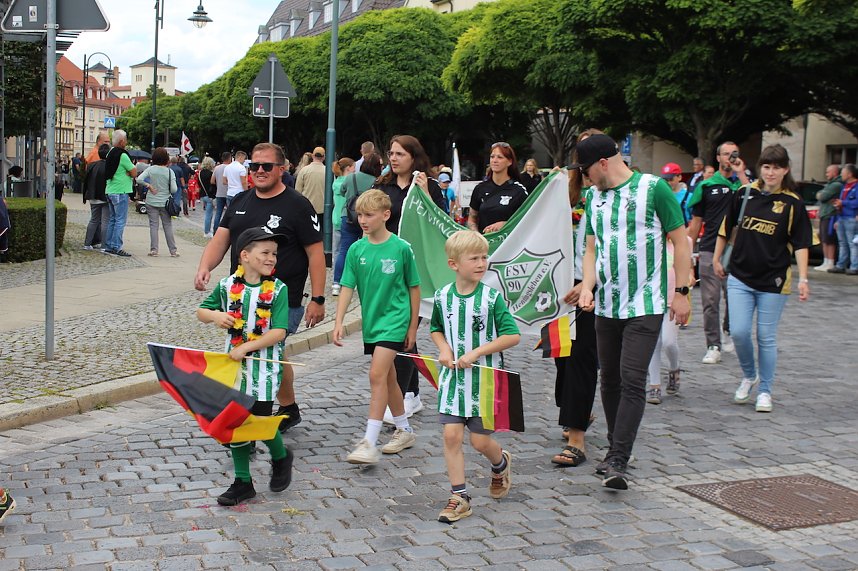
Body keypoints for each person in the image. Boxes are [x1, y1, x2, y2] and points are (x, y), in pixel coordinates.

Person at [575, 134, 691, 489]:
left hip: (647, 302)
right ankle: (615, 447)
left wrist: (683, 291)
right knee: (608, 378)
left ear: (603, 163)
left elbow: (680, 240)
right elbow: (591, 249)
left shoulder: (654, 188)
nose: (585, 177)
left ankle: (619, 459)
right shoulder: (593, 197)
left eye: (586, 170)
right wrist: (587, 285)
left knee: (631, 377)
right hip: (608, 302)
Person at [195, 142, 326, 433]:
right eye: (255, 166)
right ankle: (287, 408)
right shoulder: (240, 201)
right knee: (270, 354)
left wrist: (318, 298)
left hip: (282, 297)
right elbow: (220, 240)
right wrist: (205, 267)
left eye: (267, 166)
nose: (260, 171)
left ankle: (253, 418)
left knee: (263, 351)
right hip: (241, 297)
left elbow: (315, 254)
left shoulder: (297, 205)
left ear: (282, 169)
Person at [197, 226, 295, 505]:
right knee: (235, 422)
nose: (272, 258)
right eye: (265, 252)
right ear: (245, 255)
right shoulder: (228, 286)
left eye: (274, 254)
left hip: (263, 368)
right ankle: (243, 482)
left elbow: (279, 331)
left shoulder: (278, 290)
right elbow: (201, 311)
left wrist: (247, 347)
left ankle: (280, 456)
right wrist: (216, 316)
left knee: (261, 422)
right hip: (235, 370)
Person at [713, 144, 812, 412]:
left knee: (766, 336)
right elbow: (726, 227)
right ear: (760, 168)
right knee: (739, 331)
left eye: (776, 167)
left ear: (785, 170)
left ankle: (765, 390)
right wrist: (716, 257)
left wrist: (803, 278)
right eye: (766, 166)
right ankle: (749, 375)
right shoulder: (745, 193)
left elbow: (802, 244)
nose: (771, 172)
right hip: (740, 276)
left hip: (774, 280)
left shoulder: (793, 203)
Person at [430, 230, 519, 523]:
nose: (482, 263)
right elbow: (436, 328)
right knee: (451, 436)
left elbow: (512, 335)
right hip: (452, 381)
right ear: (454, 264)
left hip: (484, 382)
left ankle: (500, 462)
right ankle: (460, 496)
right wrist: (443, 348)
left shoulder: (492, 299)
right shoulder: (443, 296)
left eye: (484, 257)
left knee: (480, 442)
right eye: (474, 258)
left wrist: (477, 352)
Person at [333, 189, 420, 464]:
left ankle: (369, 441)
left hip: (395, 321)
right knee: (389, 378)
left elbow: (414, 288)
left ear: (385, 215)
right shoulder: (356, 249)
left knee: (376, 374)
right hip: (372, 322)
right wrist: (338, 322)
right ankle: (404, 429)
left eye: (368, 215)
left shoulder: (401, 248)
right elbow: (347, 286)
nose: (362, 220)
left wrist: (412, 328)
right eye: (359, 214)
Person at [375, 135, 447, 418]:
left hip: (414, 271)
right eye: (391, 154)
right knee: (402, 334)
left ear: (414, 157)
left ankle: (402, 397)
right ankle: (413, 393)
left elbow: (440, 222)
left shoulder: (426, 185)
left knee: (402, 331)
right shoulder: (383, 185)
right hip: (384, 269)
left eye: (399, 154)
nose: (393, 158)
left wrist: (427, 195)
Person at [552, 128, 601, 468]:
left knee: (582, 358)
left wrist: (588, 283)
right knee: (561, 358)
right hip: (559, 285)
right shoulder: (563, 191)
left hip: (593, 286)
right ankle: (574, 410)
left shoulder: (607, 196)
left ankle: (576, 436)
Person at [686, 142, 749, 364]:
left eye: (734, 153)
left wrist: (741, 175)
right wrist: (687, 254)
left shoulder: (744, 184)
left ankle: (728, 329)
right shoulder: (707, 186)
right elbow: (695, 224)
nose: (730, 157)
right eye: (726, 154)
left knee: (735, 297)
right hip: (710, 247)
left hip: (738, 251)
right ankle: (713, 344)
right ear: (718, 158)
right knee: (710, 300)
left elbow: (756, 200)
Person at [646, 235, 693, 404]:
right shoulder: (650, 238)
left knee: (669, 342)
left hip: (674, 300)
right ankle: (654, 385)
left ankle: (674, 369)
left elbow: (688, 268)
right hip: (652, 299)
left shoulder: (684, 240)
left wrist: (688, 280)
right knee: (653, 343)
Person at [333, 152, 384, 297]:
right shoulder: (376, 181)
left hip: (347, 216)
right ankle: (359, 282)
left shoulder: (351, 177)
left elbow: (342, 192)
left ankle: (337, 283)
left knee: (344, 250)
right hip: (368, 218)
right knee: (365, 250)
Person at [468, 143, 529, 234]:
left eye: (500, 157)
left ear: (509, 162)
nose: (494, 160)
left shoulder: (519, 191)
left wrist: (505, 224)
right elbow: (472, 218)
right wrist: (476, 234)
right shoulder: (480, 188)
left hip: (509, 244)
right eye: (492, 157)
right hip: (484, 244)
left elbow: (527, 221)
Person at [137, 147, 179, 257]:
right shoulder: (170, 172)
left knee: (153, 226)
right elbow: (174, 189)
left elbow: (139, 179)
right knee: (167, 226)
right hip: (165, 203)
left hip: (151, 201)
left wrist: (149, 185)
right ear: (166, 158)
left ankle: (154, 250)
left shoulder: (150, 169)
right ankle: (173, 251)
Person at [103, 130, 137, 257]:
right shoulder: (123, 155)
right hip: (121, 191)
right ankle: (117, 246)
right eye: (126, 140)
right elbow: (134, 173)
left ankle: (109, 245)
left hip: (110, 190)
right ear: (122, 141)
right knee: (120, 220)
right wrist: (129, 172)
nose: (126, 142)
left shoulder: (110, 153)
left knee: (112, 219)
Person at [331, 157, 355, 295]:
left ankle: (336, 281)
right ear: (348, 168)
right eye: (353, 167)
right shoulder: (349, 183)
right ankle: (344, 279)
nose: (355, 169)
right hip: (347, 219)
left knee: (338, 251)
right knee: (346, 251)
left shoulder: (336, 182)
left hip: (336, 219)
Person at [829, 164, 858, 275]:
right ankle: (841, 265)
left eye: (843, 172)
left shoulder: (856, 186)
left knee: (852, 243)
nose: (841, 175)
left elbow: (856, 202)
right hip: (842, 217)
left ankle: (854, 266)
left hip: (851, 217)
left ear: (850, 174)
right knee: (842, 243)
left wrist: (843, 203)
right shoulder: (844, 186)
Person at [814, 164, 842, 272]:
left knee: (829, 239)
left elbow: (823, 196)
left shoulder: (836, 185)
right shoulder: (829, 184)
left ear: (834, 172)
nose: (826, 174)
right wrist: (821, 195)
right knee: (824, 239)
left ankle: (830, 261)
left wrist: (822, 195)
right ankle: (825, 261)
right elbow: (819, 195)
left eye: (828, 172)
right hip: (824, 214)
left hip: (830, 215)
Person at [82, 143, 110, 251]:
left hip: (93, 196)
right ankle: (104, 246)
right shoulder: (109, 166)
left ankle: (87, 243)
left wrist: (85, 196)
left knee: (93, 220)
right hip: (105, 196)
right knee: (105, 221)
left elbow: (86, 181)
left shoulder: (91, 165)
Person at [295, 146, 326, 216]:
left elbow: (297, 191)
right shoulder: (329, 172)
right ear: (324, 157)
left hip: (306, 208)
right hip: (323, 209)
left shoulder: (304, 170)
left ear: (312, 156)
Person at [198, 156, 217, 238]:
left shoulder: (200, 173)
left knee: (207, 214)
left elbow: (199, 184)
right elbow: (213, 185)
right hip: (210, 195)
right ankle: (207, 231)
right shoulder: (211, 174)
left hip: (203, 194)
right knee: (209, 214)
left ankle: (207, 230)